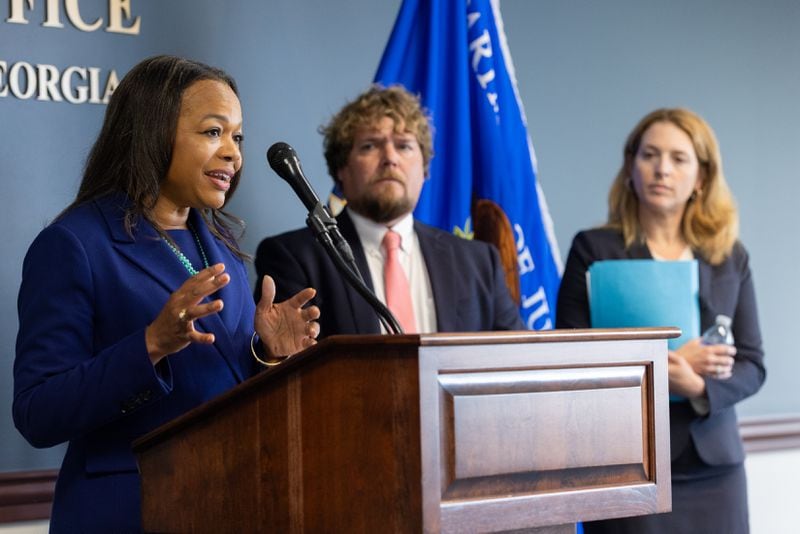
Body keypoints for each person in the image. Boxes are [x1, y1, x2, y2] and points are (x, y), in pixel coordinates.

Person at [13, 55, 320, 532]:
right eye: (213, 132)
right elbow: (38, 412)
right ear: (153, 131)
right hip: (128, 512)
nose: (234, 154)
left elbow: (220, 389)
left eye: (237, 137)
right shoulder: (75, 245)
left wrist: (267, 357)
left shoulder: (223, 250)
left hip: (228, 506)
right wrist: (151, 344)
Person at [557, 108, 765, 533]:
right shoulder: (593, 249)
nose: (662, 169)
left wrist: (699, 386)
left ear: (701, 177)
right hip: (627, 465)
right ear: (631, 167)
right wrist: (659, 365)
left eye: (678, 158)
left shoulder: (729, 256)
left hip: (716, 470)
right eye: (649, 155)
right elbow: (567, 359)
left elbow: (753, 363)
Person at [255, 85, 523, 336]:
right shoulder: (296, 257)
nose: (390, 159)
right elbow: (280, 368)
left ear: (425, 169)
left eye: (404, 145)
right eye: (370, 145)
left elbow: (518, 364)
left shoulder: (478, 262)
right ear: (341, 170)